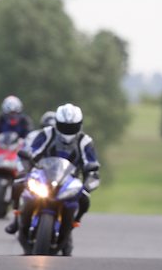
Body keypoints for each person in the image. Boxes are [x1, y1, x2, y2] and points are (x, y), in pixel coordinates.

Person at [6, 103, 100, 256]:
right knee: (18, 183)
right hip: (43, 174)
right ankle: (17, 217)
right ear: (57, 123)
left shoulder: (85, 141)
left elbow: (92, 164)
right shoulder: (47, 134)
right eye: (64, 126)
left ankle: (72, 224)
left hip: (69, 180)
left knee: (84, 198)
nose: (67, 130)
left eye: (72, 127)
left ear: (79, 125)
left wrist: (89, 181)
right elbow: (32, 151)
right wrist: (26, 166)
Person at [4, 110, 57, 234]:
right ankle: (16, 217)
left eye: (53, 127)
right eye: (47, 127)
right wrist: (23, 168)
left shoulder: (61, 140)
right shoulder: (33, 136)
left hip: (54, 174)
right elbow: (24, 152)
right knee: (18, 184)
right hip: (35, 170)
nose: (49, 130)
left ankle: (67, 227)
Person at [0, 95, 33, 166]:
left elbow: (30, 137)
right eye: (10, 114)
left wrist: (25, 144)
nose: (13, 116)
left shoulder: (25, 121)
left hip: (18, 152)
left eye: (15, 113)